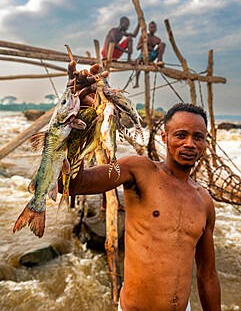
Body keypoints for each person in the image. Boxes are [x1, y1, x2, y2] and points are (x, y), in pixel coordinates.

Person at [65, 63, 221, 311]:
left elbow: (208, 275)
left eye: (198, 137)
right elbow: (75, 184)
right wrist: (79, 112)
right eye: (180, 135)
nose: (189, 143)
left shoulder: (204, 201)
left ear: (204, 142)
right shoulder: (139, 170)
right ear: (164, 137)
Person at [134, 20, 166, 88]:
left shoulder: (157, 39)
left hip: (152, 55)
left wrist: (159, 54)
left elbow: (160, 48)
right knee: (138, 61)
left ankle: (159, 61)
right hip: (143, 55)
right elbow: (137, 48)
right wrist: (143, 43)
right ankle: (137, 82)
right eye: (151, 27)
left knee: (163, 44)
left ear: (156, 29)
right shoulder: (144, 36)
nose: (153, 29)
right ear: (148, 28)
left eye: (154, 27)